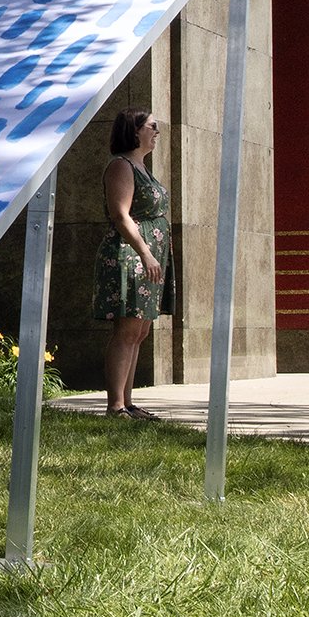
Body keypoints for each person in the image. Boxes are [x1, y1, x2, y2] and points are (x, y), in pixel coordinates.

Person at [92, 108, 172, 419]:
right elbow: (121, 215)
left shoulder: (142, 168)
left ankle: (127, 402)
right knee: (126, 330)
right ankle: (115, 405)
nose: (157, 131)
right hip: (131, 257)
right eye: (152, 126)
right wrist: (145, 252)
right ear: (134, 130)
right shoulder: (121, 166)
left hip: (149, 259)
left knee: (140, 332)